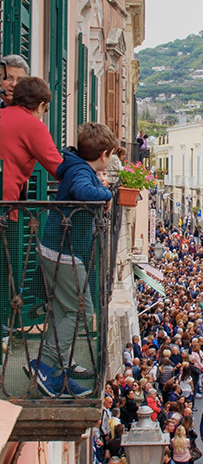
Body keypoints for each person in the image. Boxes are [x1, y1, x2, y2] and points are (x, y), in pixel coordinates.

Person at [30, 121, 117, 397]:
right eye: (112, 155)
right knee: (81, 311)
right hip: (65, 252)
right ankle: (45, 367)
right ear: (103, 154)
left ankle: (56, 368)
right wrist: (107, 193)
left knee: (62, 311)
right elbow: (84, 192)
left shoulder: (76, 165)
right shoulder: (81, 170)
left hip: (58, 248)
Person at [0, 76, 62, 200]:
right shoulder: (34, 126)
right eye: (45, 110)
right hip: (5, 203)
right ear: (40, 106)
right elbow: (58, 169)